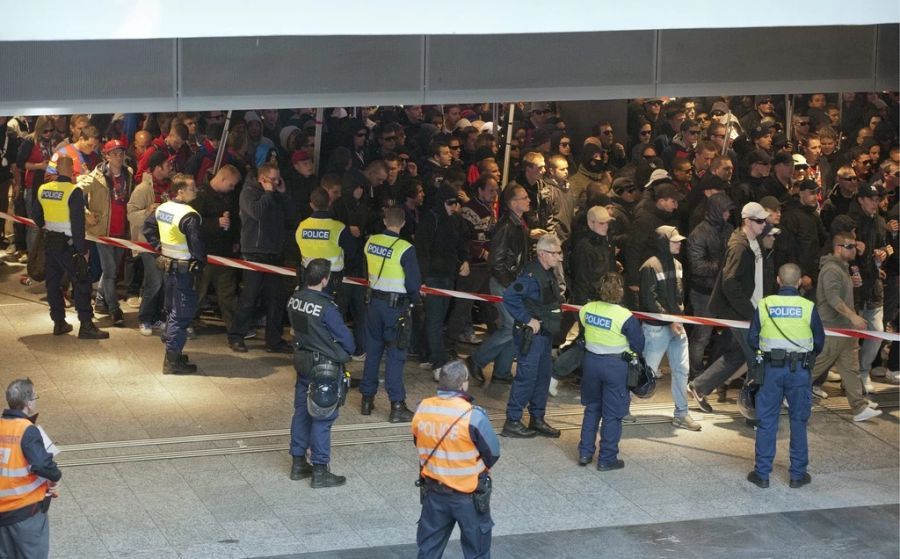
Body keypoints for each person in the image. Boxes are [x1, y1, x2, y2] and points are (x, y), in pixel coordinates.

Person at [746, 263, 826, 489]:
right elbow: (819, 342)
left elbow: (752, 339)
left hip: (771, 371)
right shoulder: (808, 307)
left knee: (766, 420)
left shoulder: (765, 305)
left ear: (779, 281)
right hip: (800, 371)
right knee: (798, 421)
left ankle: (762, 474)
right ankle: (798, 475)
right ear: (799, 282)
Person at [412, 360, 500, 559]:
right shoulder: (473, 415)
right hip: (469, 496)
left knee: (429, 550)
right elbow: (492, 453)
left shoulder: (422, 409)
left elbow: (418, 441)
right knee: (477, 550)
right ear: (463, 384)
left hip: (434, 493)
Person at [689, 202, 771, 412]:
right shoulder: (739, 247)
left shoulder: (754, 242)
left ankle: (699, 386)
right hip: (743, 314)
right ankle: (752, 407)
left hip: (749, 311)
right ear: (747, 221)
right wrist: (749, 312)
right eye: (760, 221)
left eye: (765, 220)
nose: (764, 224)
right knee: (756, 358)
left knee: (738, 355)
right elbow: (729, 282)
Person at [286, 259, 355, 488]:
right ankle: (320, 469)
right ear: (325, 280)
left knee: (301, 412)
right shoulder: (327, 307)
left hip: (303, 361)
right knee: (323, 416)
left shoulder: (295, 299)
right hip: (324, 368)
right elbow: (346, 340)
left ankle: (298, 463)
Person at [32, 156, 108, 339]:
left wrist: (47, 226)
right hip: (70, 245)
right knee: (81, 283)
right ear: (72, 169)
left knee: (53, 284)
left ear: (57, 169)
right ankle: (86, 325)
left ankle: (59, 322)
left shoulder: (44, 189)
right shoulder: (73, 192)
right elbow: (77, 224)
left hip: (50, 243)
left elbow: (36, 215)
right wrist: (83, 251)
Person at [809, 232, 882, 422]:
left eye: (854, 245)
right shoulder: (832, 269)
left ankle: (858, 407)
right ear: (838, 247)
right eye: (849, 246)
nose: (854, 250)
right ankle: (787, 395)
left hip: (845, 329)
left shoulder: (842, 268)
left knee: (850, 368)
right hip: (833, 328)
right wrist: (853, 316)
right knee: (816, 366)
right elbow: (833, 298)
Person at [359, 207, 422, 422]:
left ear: (385, 220)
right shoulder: (406, 248)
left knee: (373, 351)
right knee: (396, 355)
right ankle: (397, 405)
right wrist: (416, 303)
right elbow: (413, 283)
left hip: (373, 304)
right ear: (403, 223)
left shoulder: (371, 242)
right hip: (396, 309)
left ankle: (366, 399)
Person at [577, 273, 645, 470]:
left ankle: (585, 453)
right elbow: (638, 345)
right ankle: (607, 458)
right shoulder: (625, 316)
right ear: (620, 291)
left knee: (592, 408)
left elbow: (583, 330)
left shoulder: (587, 309)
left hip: (591, 363)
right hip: (616, 366)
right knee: (612, 414)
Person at [227, 162, 296, 353]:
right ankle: (236, 336)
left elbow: (291, 216)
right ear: (262, 178)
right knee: (249, 297)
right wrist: (267, 193)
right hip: (254, 251)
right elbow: (257, 213)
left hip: (274, 251)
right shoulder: (249, 192)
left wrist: (282, 194)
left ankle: (273, 340)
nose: (275, 183)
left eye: (277, 179)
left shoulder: (276, 194)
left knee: (276, 298)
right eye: (272, 180)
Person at [500, 234, 564, 439]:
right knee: (526, 378)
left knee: (543, 377)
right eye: (555, 253)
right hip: (532, 335)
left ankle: (537, 418)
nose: (559, 257)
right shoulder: (530, 275)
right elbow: (510, 296)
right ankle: (512, 421)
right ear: (542, 254)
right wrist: (527, 319)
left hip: (544, 335)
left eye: (559, 253)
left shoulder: (547, 272)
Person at [466, 184, 530, 385]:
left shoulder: (518, 223)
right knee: (511, 325)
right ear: (513, 203)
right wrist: (513, 285)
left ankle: (502, 371)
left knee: (515, 326)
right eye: (524, 197)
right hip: (506, 283)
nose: (529, 200)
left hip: (513, 282)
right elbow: (496, 261)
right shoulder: (507, 226)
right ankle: (476, 359)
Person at [639, 226, 701, 431]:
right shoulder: (650, 266)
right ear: (663, 242)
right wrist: (673, 320)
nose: (679, 244)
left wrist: (677, 319)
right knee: (644, 372)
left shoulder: (676, 264)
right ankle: (618, 409)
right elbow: (649, 300)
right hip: (661, 327)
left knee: (681, 370)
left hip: (673, 325)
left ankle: (682, 413)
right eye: (674, 241)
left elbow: (676, 296)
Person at [143, 174, 206, 375]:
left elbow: (148, 228)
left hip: (168, 266)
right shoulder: (189, 215)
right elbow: (197, 244)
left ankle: (174, 352)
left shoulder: (162, 208)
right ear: (180, 191)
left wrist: (159, 246)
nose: (195, 190)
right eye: (191, 187)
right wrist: (200, 263)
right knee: (181, 313)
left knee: (171, 310)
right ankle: (172, 359)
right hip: (183, 270)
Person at [0, 379, 62, 559]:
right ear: (28, 403)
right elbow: (42, 465)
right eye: (35, 397)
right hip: (24, 511)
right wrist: (55, 475)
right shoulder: (26, 429)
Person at [81, 139, 135, 327]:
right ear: (106, 156)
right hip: (103, 232)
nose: (119, 157)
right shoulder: (96, 176)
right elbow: (74, 194)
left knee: (110, 270)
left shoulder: (129, 173)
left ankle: (100, 302)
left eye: (121, 153)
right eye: (114, 153)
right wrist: (86, 214)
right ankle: (114, 309)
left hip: (121, 231)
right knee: (111, 271)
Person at [294, 187, 352, 295]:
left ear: (311, 205)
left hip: (308, 277)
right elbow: (352, 252)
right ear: (329, 203)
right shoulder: (339, 228)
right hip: (331, 279)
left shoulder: (302, 226)